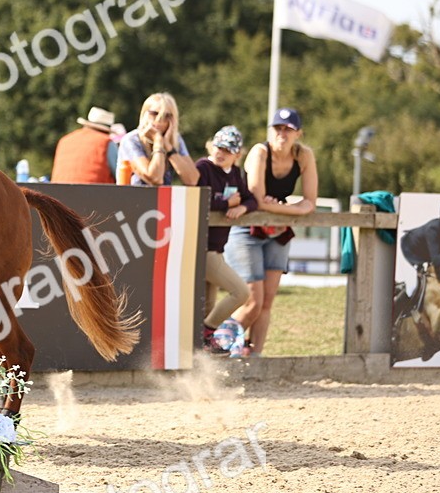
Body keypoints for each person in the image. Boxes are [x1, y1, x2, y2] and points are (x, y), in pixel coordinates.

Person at [224, 107, 319, 356]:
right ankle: (216, 343)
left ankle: (254, 358)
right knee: (252, 302)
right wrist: (293, 209)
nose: (282, 134)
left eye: (288, 129)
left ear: (298, 133)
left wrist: (281, 209)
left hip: (278, 231)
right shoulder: (260, 152)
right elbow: (257, 200)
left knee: (266, 302)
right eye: (277, 128)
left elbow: (310, 202)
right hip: (247, 228)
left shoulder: (304, 155)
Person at [194, 126, 258, 352]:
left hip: (217, 249)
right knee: (241, 292)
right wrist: (227, 204)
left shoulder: (235, 173)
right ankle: (208, 331)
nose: (220, 153)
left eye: (227, 150)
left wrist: (242, 207)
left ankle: (200, 346)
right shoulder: (203, 167)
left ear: (237, 154)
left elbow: (252, 200)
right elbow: (198, 199)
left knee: (207, 306)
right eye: (218, 147)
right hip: (203, 248)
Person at [116, 93, 199, 186]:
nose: (160, 120)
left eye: (167, 116)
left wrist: (169, 148)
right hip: (132, 194)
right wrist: (158, 142)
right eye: (154, 114)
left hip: (163, 195)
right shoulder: (132, 140)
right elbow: (155, 179)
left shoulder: (175, 140)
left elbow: (192, 180)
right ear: (144, 114)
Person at [400, 197, 440, 289]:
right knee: (412, 287)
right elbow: (436, 260)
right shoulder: (433, 230)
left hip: (423, 253)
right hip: (408, 251)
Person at [50, 106, 118, 184]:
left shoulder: (64, 140)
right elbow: (119, 173)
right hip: (94, 190)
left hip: (57, 190)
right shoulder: (106, 142)